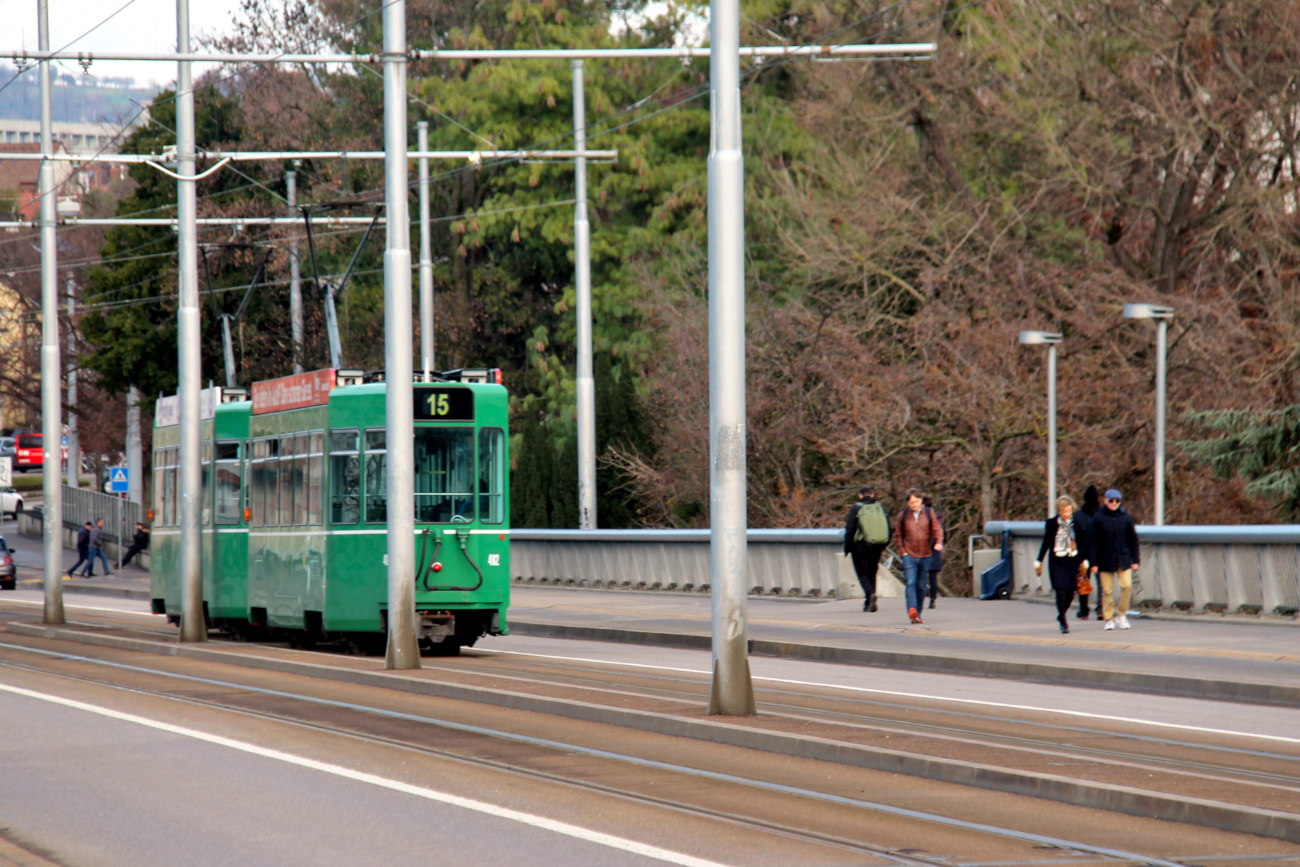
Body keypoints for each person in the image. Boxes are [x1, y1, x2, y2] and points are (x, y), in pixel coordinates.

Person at [1085, 488, 1140, 630]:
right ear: (1105, 501)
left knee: (1127, 585)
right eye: (1111, 500)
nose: (1114, 503)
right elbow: (1092, 541)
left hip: (1123, 557)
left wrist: (1135, 560)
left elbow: (1133, 539)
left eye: (1117, 501)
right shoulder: (1098, 518)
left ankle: (1121, 614)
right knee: (1107, 590)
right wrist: (1093, 562)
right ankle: (1109, 618)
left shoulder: (1126, 517)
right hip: (1105, 559)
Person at [1034, 495, 1089, 633]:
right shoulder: (1052, 524)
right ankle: (1064, 623)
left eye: (1069, 511)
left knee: (1070, 593)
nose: (1067, 514)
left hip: (1072, 559)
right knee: (1059, 591)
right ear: (1059, 511)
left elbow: (1081, 543)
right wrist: (1039, 560)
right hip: (1057, 560)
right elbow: (1046, 542)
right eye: (1064, 512)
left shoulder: (1076, 524)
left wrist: (1084, 560)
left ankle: (1061, 614)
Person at [895, 490, 943, 624]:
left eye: (916, 501)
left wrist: (938, 543)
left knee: (921, 586)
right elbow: (898, 535)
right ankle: (911, 609)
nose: (914, 504)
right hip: (909, 555)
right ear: (907, 503)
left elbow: (937, 530)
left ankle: (918, 613)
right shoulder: (903, 516)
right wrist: (903, 552)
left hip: (926, 555)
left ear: (921, 501)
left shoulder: (929, 513)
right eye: (911, 502)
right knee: (910, 582)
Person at [844, 487, 889, 612]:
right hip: (877, 546)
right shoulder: (881, 507)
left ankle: (870, 595)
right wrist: (883, 545)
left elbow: (850, 529)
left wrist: (847, 547)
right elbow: (888, 527)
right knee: (872, 573)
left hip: (859, 546)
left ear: (860, 496)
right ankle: (868, 602)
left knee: (862, 574)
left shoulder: (856, 508)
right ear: (872, 494)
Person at [1075, 485, 1103, 619]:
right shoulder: (1102, 514)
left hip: (1083, 554)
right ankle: (1101, 609)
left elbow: (1076, 538)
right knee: (1102, 584)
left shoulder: (1078, 516)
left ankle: (1084, 610)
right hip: (1100, 553)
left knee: (1083, 582)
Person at [921, 496, 944, 609]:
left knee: (921, 576)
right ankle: (933, 599)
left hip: (923, 550)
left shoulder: (921, 517)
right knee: (933, 577)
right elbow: (944, 535)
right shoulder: (938, 518)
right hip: (935, 551)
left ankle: (920, 599)